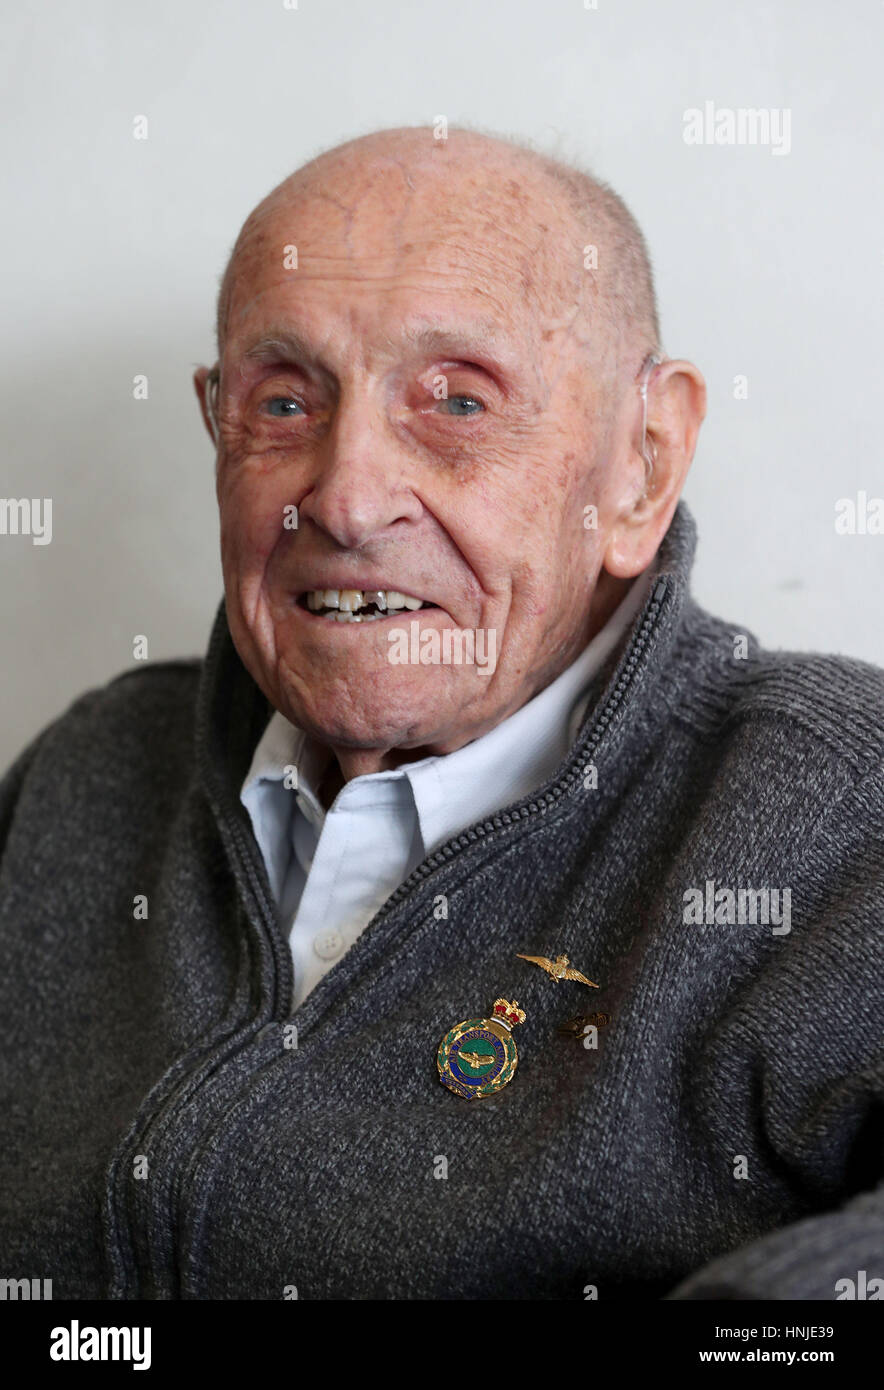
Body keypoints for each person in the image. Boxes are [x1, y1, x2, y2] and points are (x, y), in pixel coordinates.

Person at [1, 126, 881, 1300]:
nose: (348, 496)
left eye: (458, 401)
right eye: (281, 400)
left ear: (643, 462)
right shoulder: (94, 770)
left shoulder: (829, 807)